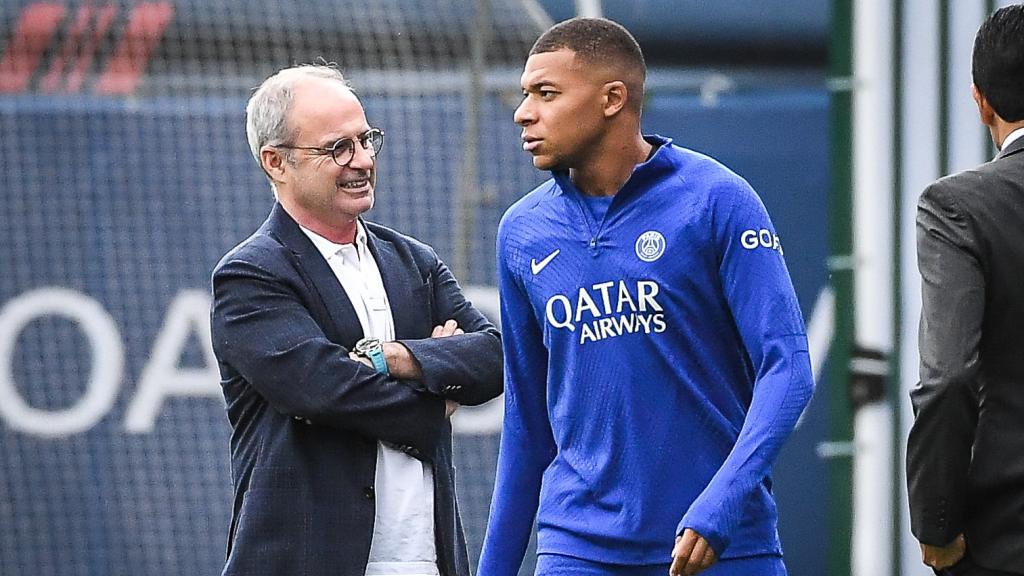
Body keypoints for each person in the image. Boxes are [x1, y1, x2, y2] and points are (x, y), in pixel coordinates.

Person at [478, 17, 814, 576]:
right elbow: (526, 426)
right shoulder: (522, 231)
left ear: (613, 99)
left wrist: (721, 505)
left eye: (546, 93)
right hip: (576, 550)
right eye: (524, 95)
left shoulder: (718, 200)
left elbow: (788, 367)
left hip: (721, 547)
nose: (523, 112)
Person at [209, 64, 502, 576]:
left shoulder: (414, 262)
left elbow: (496, 356)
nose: (362, 160)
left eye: (365, 139)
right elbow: (323, 389)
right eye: (337, 148)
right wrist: (439, 398)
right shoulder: (251, 274)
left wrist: (399, 357)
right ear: (276, 162)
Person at [907, 5, 1024, 575]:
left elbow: (949, 377)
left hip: (1005, 537)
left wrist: (938, 523)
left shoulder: (957, 207)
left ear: (980, 102)